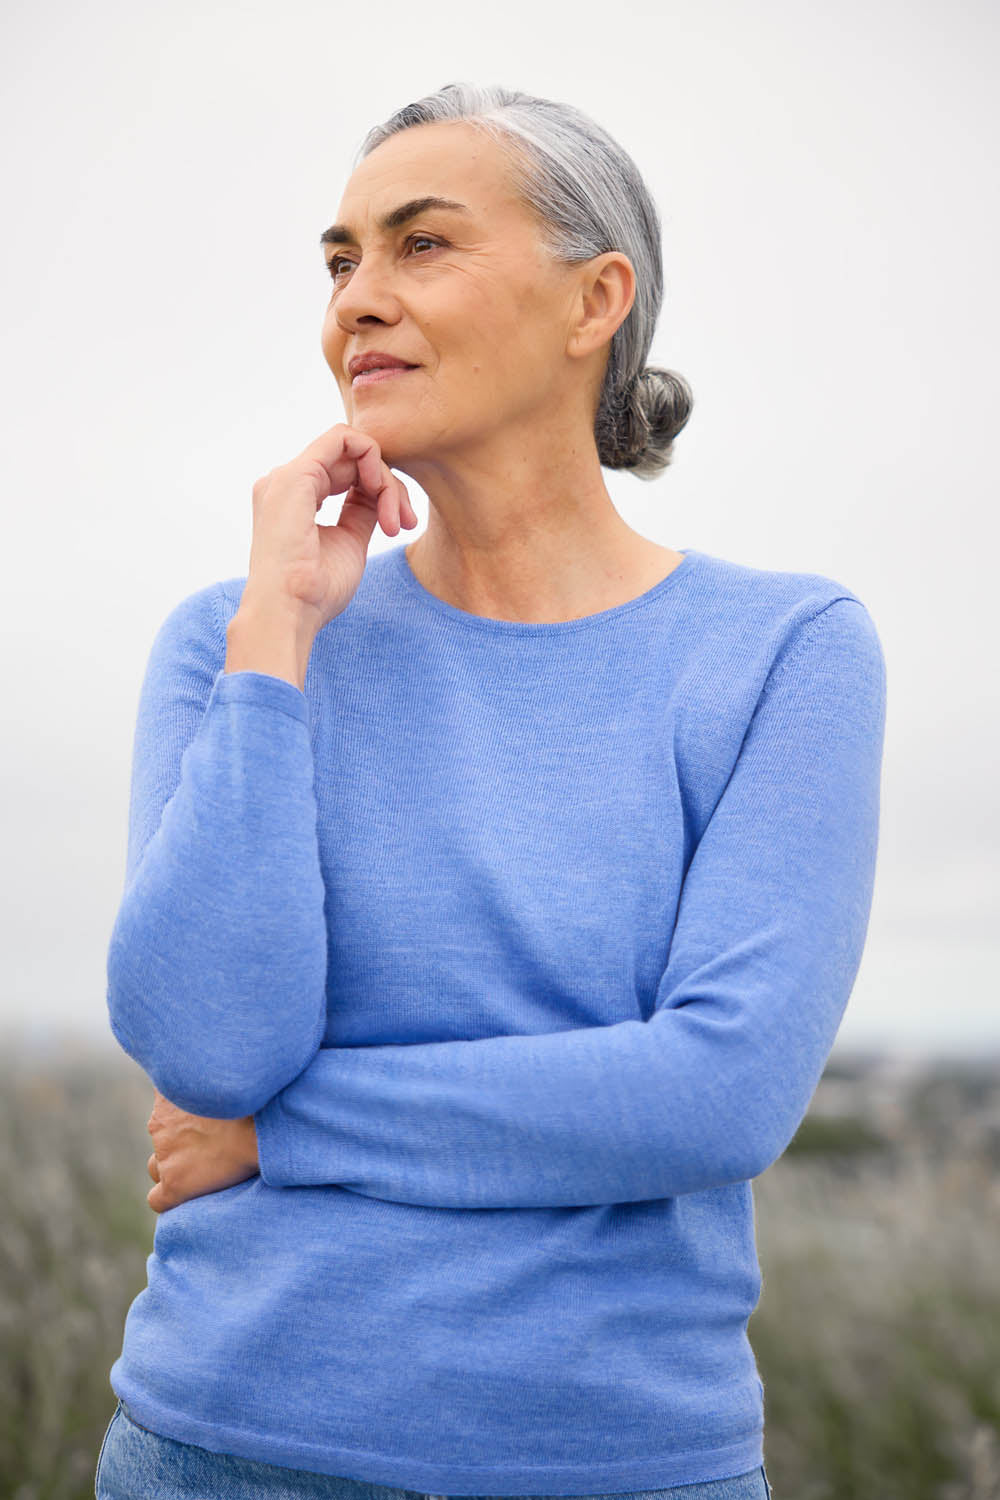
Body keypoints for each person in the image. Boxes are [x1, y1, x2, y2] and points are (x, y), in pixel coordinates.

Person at [96, 80, 885, 1500]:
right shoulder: (235, 638)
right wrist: (274, 642)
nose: (357, 300)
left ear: (597, 299)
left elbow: (713, 1096)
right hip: (213, 1448)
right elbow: (206, 1053)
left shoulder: (783, 653)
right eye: (339, 262)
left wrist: (283, 1134)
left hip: (615, 1467)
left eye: (422, 245)